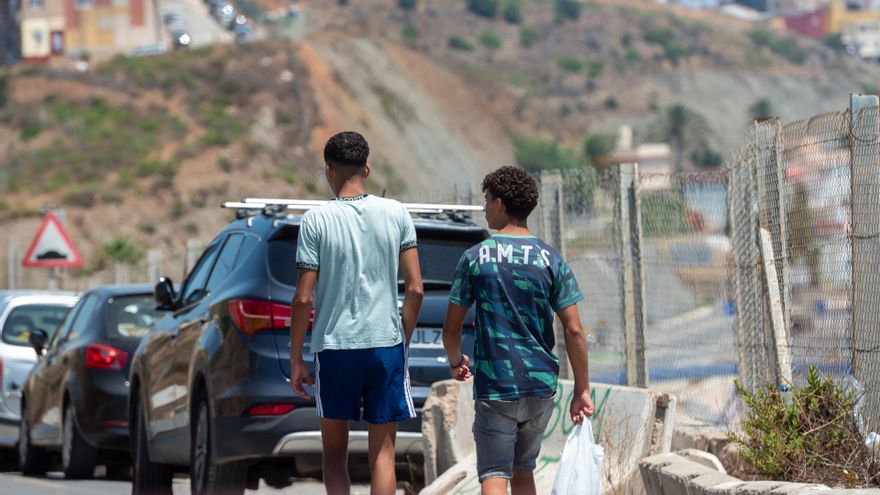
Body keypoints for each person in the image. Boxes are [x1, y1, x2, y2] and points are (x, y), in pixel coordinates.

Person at [442, 166, 594, 495]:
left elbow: (451, 330)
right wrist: (582, 389)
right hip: (540, 388)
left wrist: (456, 361)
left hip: (496, 386)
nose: (483, 208)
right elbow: (575, 331)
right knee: (523, 470)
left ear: (500, 203)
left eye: (486, 200)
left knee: (495, 473)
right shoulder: (552, 259)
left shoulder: (475, 258)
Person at [289, 131, 424, 495]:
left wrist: (296, 357)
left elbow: (303, 298)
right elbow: (415, 289)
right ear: (367, 167)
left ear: (328, 170)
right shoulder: (397, 212)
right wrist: (402, 337)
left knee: (334, 455)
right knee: (382, 454)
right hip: (385, 344)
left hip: (334, 348)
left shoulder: (315, 220)